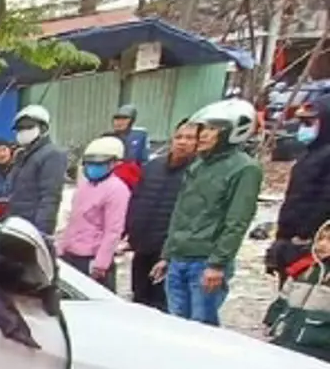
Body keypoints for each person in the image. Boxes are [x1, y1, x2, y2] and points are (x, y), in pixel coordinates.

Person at [154, 98, 262, 326]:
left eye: (212, 129)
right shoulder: (197, 166)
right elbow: (180, 213)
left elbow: (237, 221)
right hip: (179, 257)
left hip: (205, 261)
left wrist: (217, 264)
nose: (203, 134)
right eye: (202, 128)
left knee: (202, 327)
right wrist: (167, 254)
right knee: (175, 324)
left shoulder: (245, 168)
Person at [125, 119, 199, 310]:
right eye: (179, 137)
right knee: (139, 299)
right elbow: (137, 200)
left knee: (162, 304)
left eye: (190, 138)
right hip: (142, 246)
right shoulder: (152, 167)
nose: (182, 142)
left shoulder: (197, 173)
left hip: (169, 250)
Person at [268, 93, 330, 286]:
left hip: (314, 247)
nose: (304, 129)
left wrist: (305, 236)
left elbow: (323, 202)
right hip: (293, 243)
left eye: (310, 123)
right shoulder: (310, 154)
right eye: (302, 123)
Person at [57, 136, 130, 290]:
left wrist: (101, 263)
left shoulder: (117, 190)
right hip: (72, 253)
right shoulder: (84, 185)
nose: (93, 167)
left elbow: (113, 230)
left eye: (99, 164)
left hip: (93, 258)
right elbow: (74, 220)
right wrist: (62, 247)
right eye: (90, 163)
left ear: (114, 163)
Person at [264, 219, 330, 362]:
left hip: (319, 348)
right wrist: (272, 321)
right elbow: (284, 298)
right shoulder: (303, 268)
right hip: (286, 339)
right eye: (320, 239)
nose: (322, 245)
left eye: (329, 240)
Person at [6, 105, 69, 236]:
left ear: (43, 128)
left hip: (33, 226)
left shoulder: (52, 154)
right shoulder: (22, 155)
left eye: (29, 127)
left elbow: (50, 197)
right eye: (20, 129)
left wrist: (42, 232)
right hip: (16, 223)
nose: (23, 132)